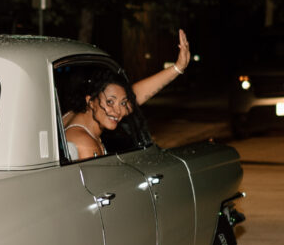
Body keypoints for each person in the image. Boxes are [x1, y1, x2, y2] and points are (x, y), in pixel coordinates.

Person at [63, 29, 192, 160]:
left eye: (122, 103)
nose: (118, 111)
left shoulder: (74, 114)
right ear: (90, 101)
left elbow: (133, 95)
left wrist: (178, 68)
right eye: (110, 102)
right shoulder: (87, 146)